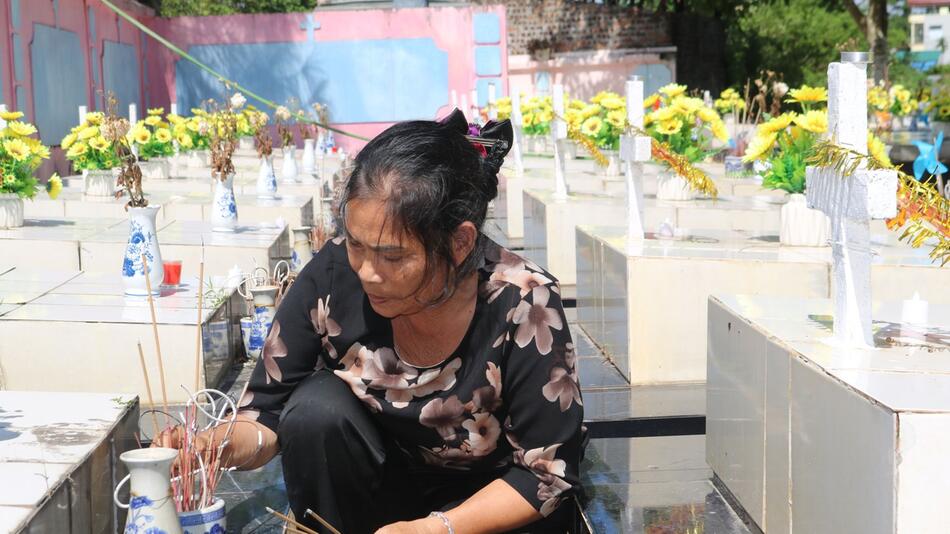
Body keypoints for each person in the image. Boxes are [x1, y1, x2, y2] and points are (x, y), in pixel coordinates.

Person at [158, 110, 585, 533]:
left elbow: (547, 474)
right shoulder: (332, 276)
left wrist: (435, 529)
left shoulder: (523, 303)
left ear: (460, 243)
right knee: (314, 410)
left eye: (392, 256)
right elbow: (265, 415)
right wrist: (216, 445)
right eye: (357, 245)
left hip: (487, 507)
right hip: (372, 500)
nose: (366, 271)